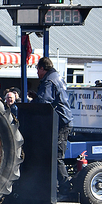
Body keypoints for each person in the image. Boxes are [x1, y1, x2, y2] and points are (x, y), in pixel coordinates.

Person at [30, 56, 73, 195]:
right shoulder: (56, 77)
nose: (37, 72)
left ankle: (65, 189)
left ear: (43, 68)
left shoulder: (48, 81)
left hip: (60, 122)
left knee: (56, 156)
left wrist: (33, 102)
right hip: (63, 120)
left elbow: (44, 102)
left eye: (37, 69)